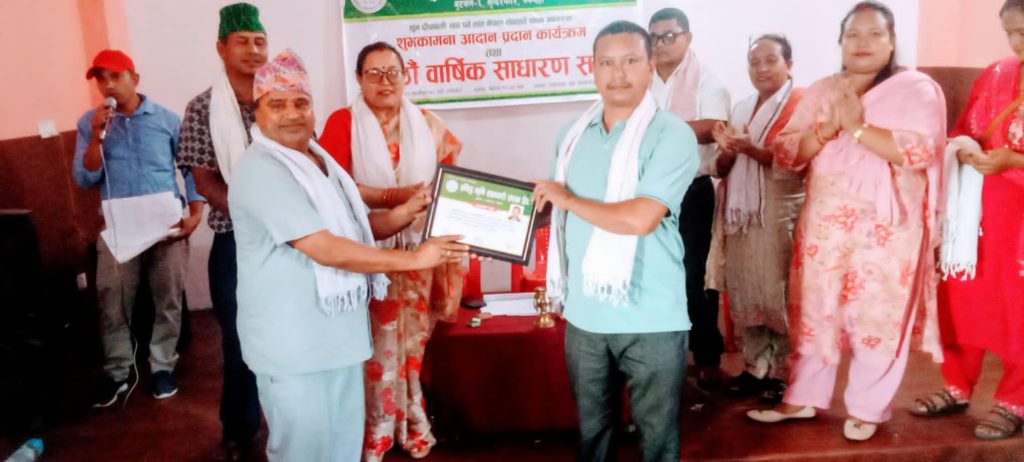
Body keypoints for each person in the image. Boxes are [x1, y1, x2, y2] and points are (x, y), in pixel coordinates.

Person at [228, 49, 467, 462]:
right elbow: (323, 246)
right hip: (294, 347)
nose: (291, 113)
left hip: (339, 339)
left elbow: (356, 228)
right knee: (303, 453)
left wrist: (404, 214)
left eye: (300, 102)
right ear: (256, 111)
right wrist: (413, 260)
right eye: (277, 104)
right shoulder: (261, 169)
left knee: (341, 451)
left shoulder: (319, 161)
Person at [746, 2, 946, 442]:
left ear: (892, 42)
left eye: (875, 34)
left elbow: (919, 151)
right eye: (853, 34)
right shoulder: (823, 90)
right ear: (840, 41)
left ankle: (867, 407)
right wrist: (824, 131)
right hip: (826, 225)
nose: (862, 43)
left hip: (889, 227)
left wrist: (856, 128)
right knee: (816, 309)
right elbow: (786, 152)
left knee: (878, 314)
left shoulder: (915, 89)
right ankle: (802, 397)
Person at [533, 21, 698, 462]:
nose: (618, 73)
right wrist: (507, 210)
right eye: (606, 63)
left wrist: (567, 199)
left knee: (657, 441)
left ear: (650, 66)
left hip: (652, 317)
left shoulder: (672, 134)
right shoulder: (572, 135)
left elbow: (641, 218)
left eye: (630, 61)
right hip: (585, 314)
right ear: (592, 68)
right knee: (593, 436)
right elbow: (558, 209)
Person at [318, 41, 463, 461]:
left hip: (418, 252)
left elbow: (452, 188)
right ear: (359, 79)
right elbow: (336, 185)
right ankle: (376, 430)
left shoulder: (430, 125)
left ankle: (411, 421)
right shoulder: (343, 122)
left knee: (413, 343)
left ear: (405, 76)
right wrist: (396, 198)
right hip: (366, 252)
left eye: (393, 72)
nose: (385, 81)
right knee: (374, 345)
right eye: (374, 73)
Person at [910, 0, 1024, 441]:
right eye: (1011, 32)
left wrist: (1013, 160)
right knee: (963, 297)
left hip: (1020, 221)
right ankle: (957, 385)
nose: (1018, 41)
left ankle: (1014, 400)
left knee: (1018, 307)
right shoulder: (997, 73)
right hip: (980, 213)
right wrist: (963, 148)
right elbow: (965, 129)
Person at [72, 49, 204, 407]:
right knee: (112, 300)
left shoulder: (166, 120)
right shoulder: (90, 123)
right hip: (120, 229)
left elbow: (191, 169)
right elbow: (84, 178)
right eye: (101, 79)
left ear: (135, 78)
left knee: (167, 299)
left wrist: (195, 213)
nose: (107, 85)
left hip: (166, 226)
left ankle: (163, 366)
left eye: (115, 76)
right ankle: (117, 372)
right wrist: (97, 137)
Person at [175, 4, 267, 459]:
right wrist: (260, 213)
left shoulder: (282, 95)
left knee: (287, 332)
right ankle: (240, 428)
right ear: (221, 48)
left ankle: (287, 417)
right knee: (239, 338)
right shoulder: (203, 107)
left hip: (290, 241)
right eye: (242, 41)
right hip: (235, 241)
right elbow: (205, 182)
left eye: (259, 41)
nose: (253, 50)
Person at [708, 35, 805, 404]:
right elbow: (724, 167)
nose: (761, 68)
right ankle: (754, 366)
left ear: (789, 65)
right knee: (746, 286)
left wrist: (749, 148)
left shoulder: (802, 104)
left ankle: (783, 372)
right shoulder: (742, 108)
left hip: (780, 209)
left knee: (777, 289)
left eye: (770, 60)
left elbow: (795, 161)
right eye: (754, 62)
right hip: (741, 214)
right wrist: (729, 151)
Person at [647, 7, 730, 387]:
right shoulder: (641, 77)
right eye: (654, 37)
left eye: (669, 36)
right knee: (654, 276)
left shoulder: (707, 80)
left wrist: (654, 129)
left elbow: (714, 127)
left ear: (688, 38)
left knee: (694, 278)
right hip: (647, 193)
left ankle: (708, 356)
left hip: (691, 192)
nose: (660, 44)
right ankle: (665, 359)